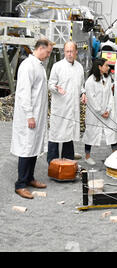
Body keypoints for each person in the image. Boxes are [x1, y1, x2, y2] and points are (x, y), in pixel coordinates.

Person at [11, 38, 53, 199]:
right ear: (40, 48)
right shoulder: (28, 66)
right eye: (48, 52)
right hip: (29, 115)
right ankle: (20, 184)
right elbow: (23, 93)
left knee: (34, 147)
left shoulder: (39, 66)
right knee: (26, 147)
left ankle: (29, 178)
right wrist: (29, 115)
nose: (48, 55)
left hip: (38, 114)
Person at [47, 41, 87, 165]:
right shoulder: (57, 66)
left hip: (73, 107)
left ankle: (68, 161)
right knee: (55, 134)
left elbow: (81, 86)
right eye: (67, 51)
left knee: (69, 135)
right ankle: (52, 163)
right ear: (64, 52)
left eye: (71, 51)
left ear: (76, 52)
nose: (69, 54)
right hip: (60, 108)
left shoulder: (79, 67)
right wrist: (56, 88)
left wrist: (83, 93)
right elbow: (50, 84)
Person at [82, 58, 117, 165]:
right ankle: (87, 156)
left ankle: (115, 155)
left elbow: (111, 96)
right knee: (91, 133)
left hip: (107, 112)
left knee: (112, 132)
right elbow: (92, 99)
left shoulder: (108, 79)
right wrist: (101, 111)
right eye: (106, 65)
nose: (108, 67)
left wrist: (108, 109)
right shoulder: (90, 81)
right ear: (99, 67)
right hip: (95, 113)